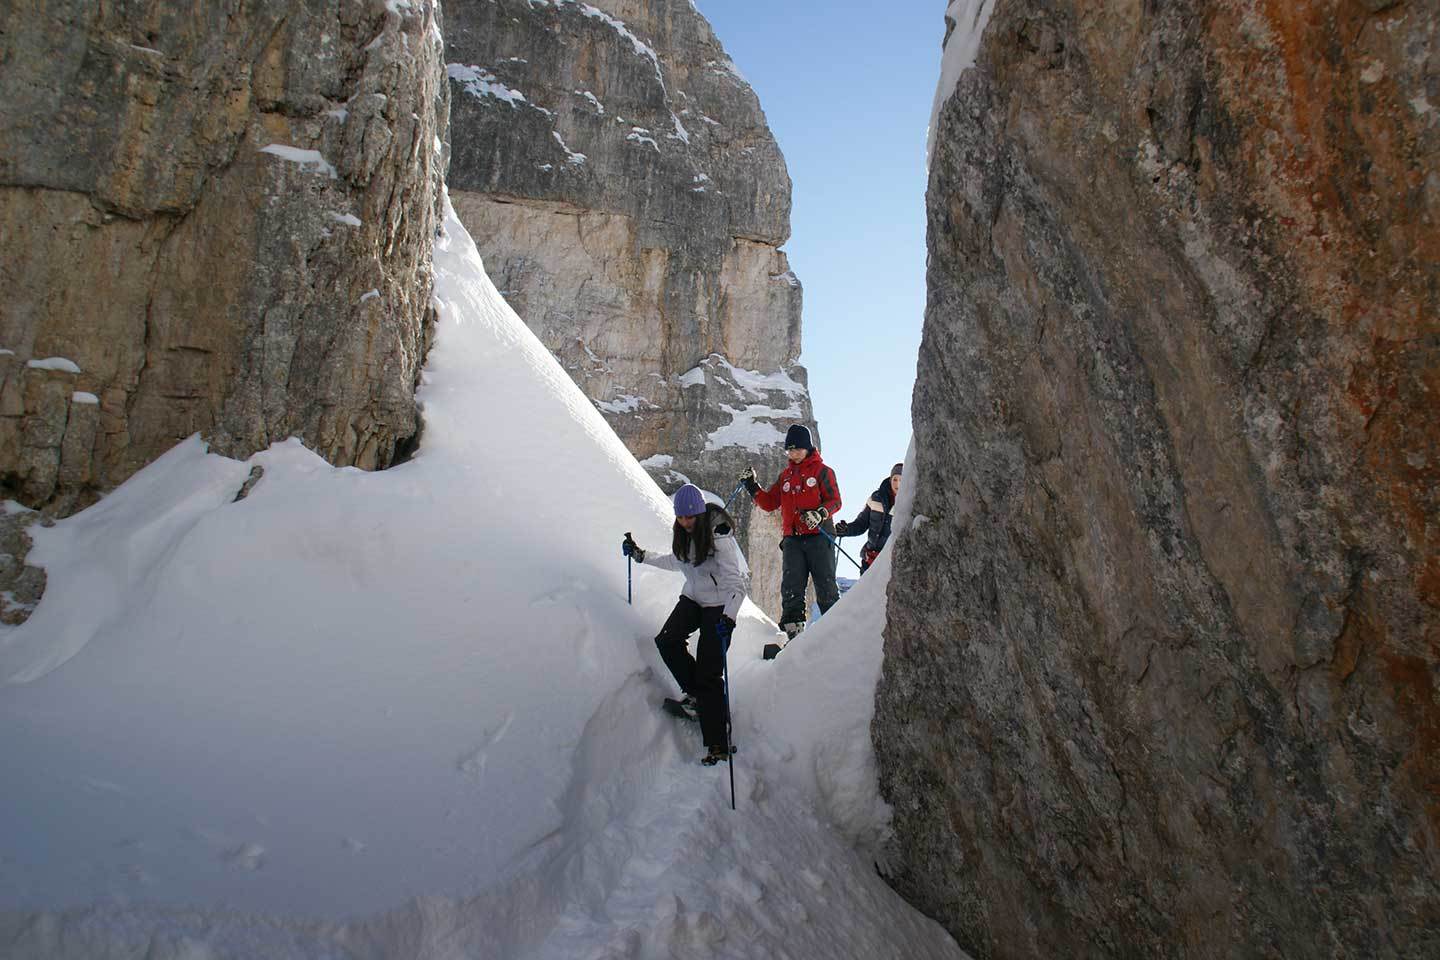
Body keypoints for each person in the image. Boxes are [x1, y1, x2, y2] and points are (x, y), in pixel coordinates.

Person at [622, 483, 747, 766]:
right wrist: (641, 555)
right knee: (667, 640)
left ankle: (718, 743)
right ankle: (699, 699)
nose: (685, 522)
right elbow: (675, 561)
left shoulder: (719, 536)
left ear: (700, 513)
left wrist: (729, 618)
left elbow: (737, 585)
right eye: (680, 517)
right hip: (693, 598)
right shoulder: (683, 534)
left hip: (720, 605)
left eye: (690, 517)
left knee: (709, 672)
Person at [739, 424, 841, 638]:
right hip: (793, 540)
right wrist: (752, 486)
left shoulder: (823, 471)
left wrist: (820, 513)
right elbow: (769, 503)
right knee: (791, 588)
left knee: (826, 586)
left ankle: (835, 633)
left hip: (819, 537)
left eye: (798, 449)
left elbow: (835, 501)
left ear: (808, 448)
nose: (793, 454)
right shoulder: (785, 476)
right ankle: (792, 634)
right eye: (790, 450)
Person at [835, 462, 902, 574]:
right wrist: (846, 529)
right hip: (870, 560)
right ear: (890, 479)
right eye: (895, 479)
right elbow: (861, 523)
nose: (897, 484)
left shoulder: (908, 504)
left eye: (901, 480)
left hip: (892, 563)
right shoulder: (876, 498)